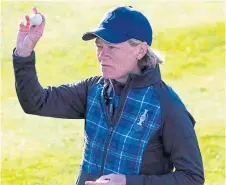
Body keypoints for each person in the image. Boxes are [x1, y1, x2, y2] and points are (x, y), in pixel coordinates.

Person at [13, 6, 204, 185]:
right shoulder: (93, 89)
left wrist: (128, 182)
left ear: (140, 50)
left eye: (112, 47)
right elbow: (36, 102)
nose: (102, 55)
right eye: (99, 46)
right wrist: (24, 51)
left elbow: (192, 177)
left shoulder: (167, 106)